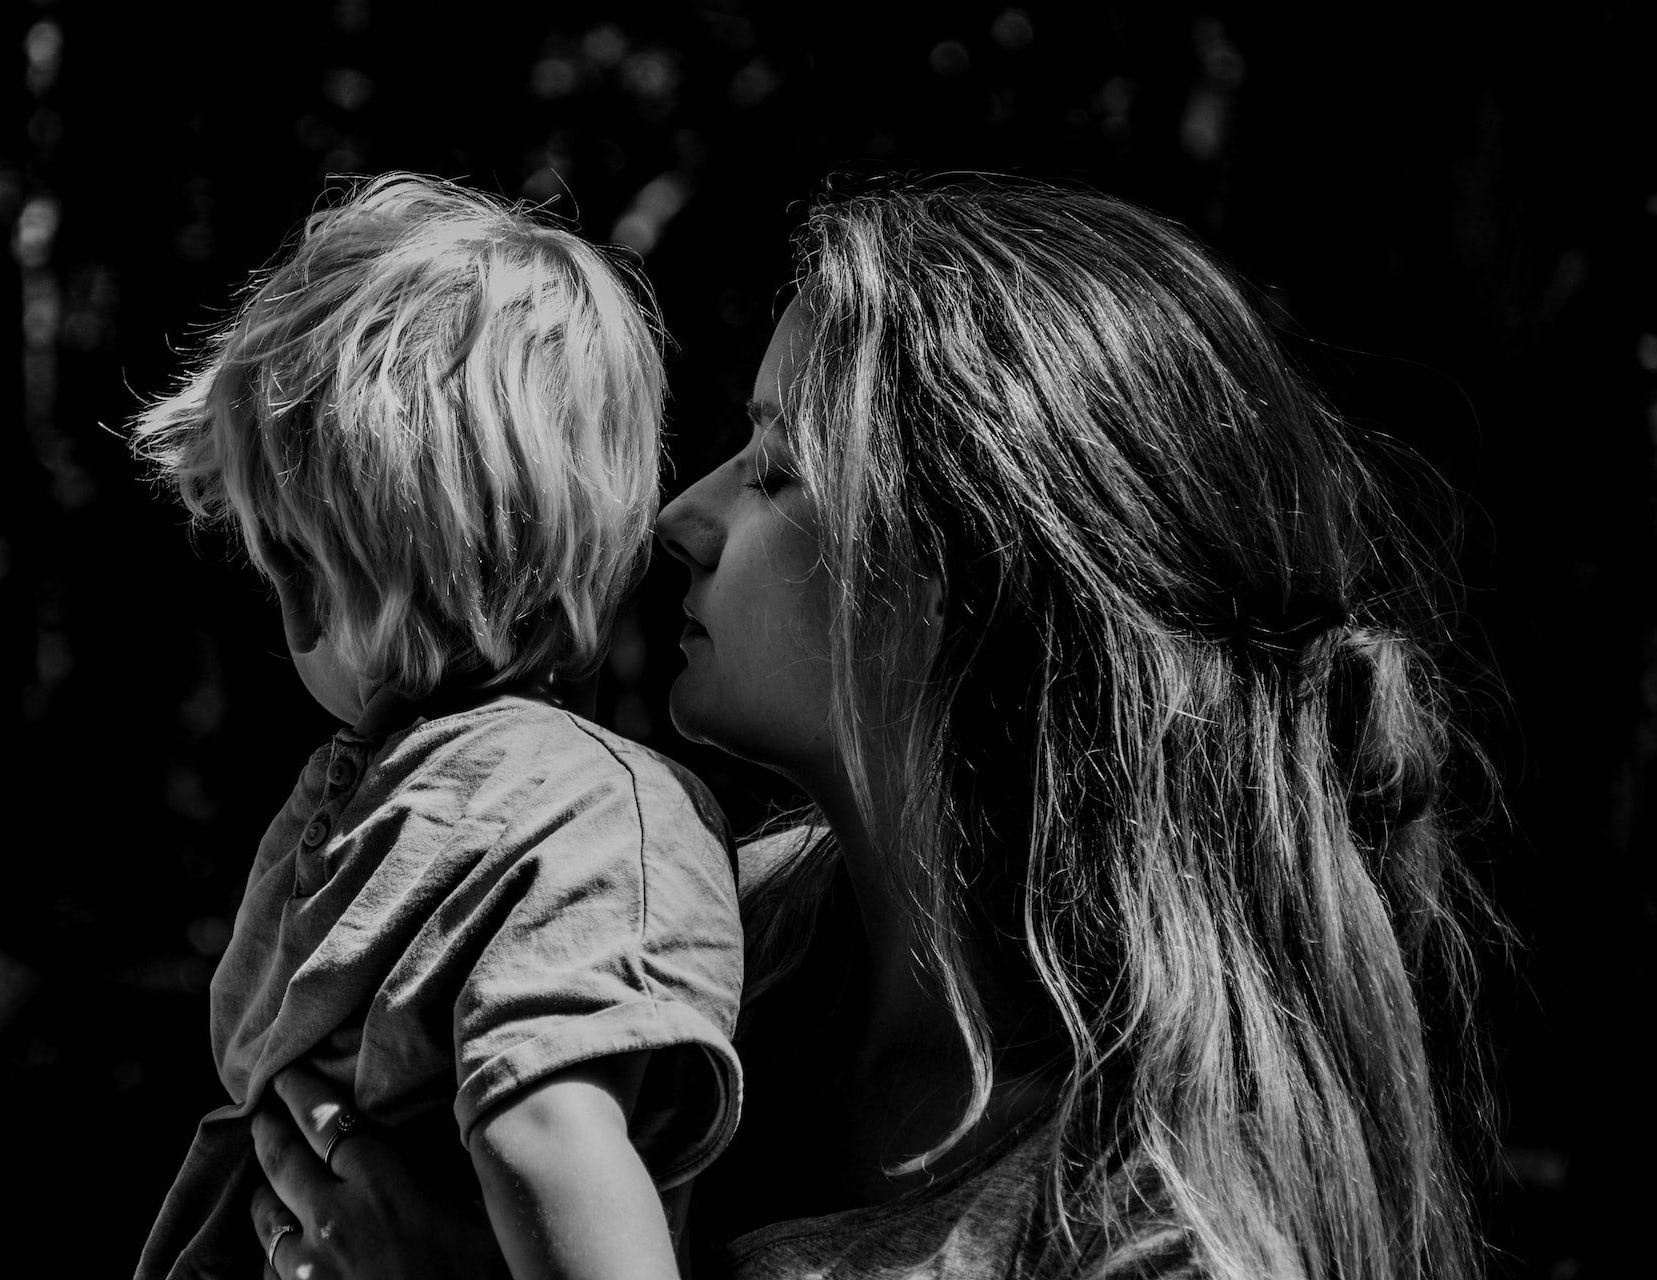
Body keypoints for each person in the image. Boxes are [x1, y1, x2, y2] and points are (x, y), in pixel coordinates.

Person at [244, 177, 1502, 1280]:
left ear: (976, 574)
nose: (681, 516)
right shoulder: (662, 944)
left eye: (780, 468)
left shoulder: (1160, 1228)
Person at [127, 173, 746, 1280]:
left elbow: (543, 1129)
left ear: (310, 583)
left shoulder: (572, 816)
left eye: (280, 561)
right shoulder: (539, 804)